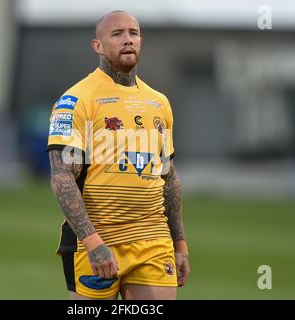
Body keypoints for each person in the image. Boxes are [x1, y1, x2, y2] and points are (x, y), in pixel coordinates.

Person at [47, 10, 190, 300]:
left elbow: (169, 178)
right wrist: (92, 242)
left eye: (133, 33)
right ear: (97, 46)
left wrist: (180, 244)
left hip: (153, 239)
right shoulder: (76, 100)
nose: (128, 40)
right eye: (117, 34)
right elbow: (62, 177)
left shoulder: (159, 102)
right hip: (99, 240)